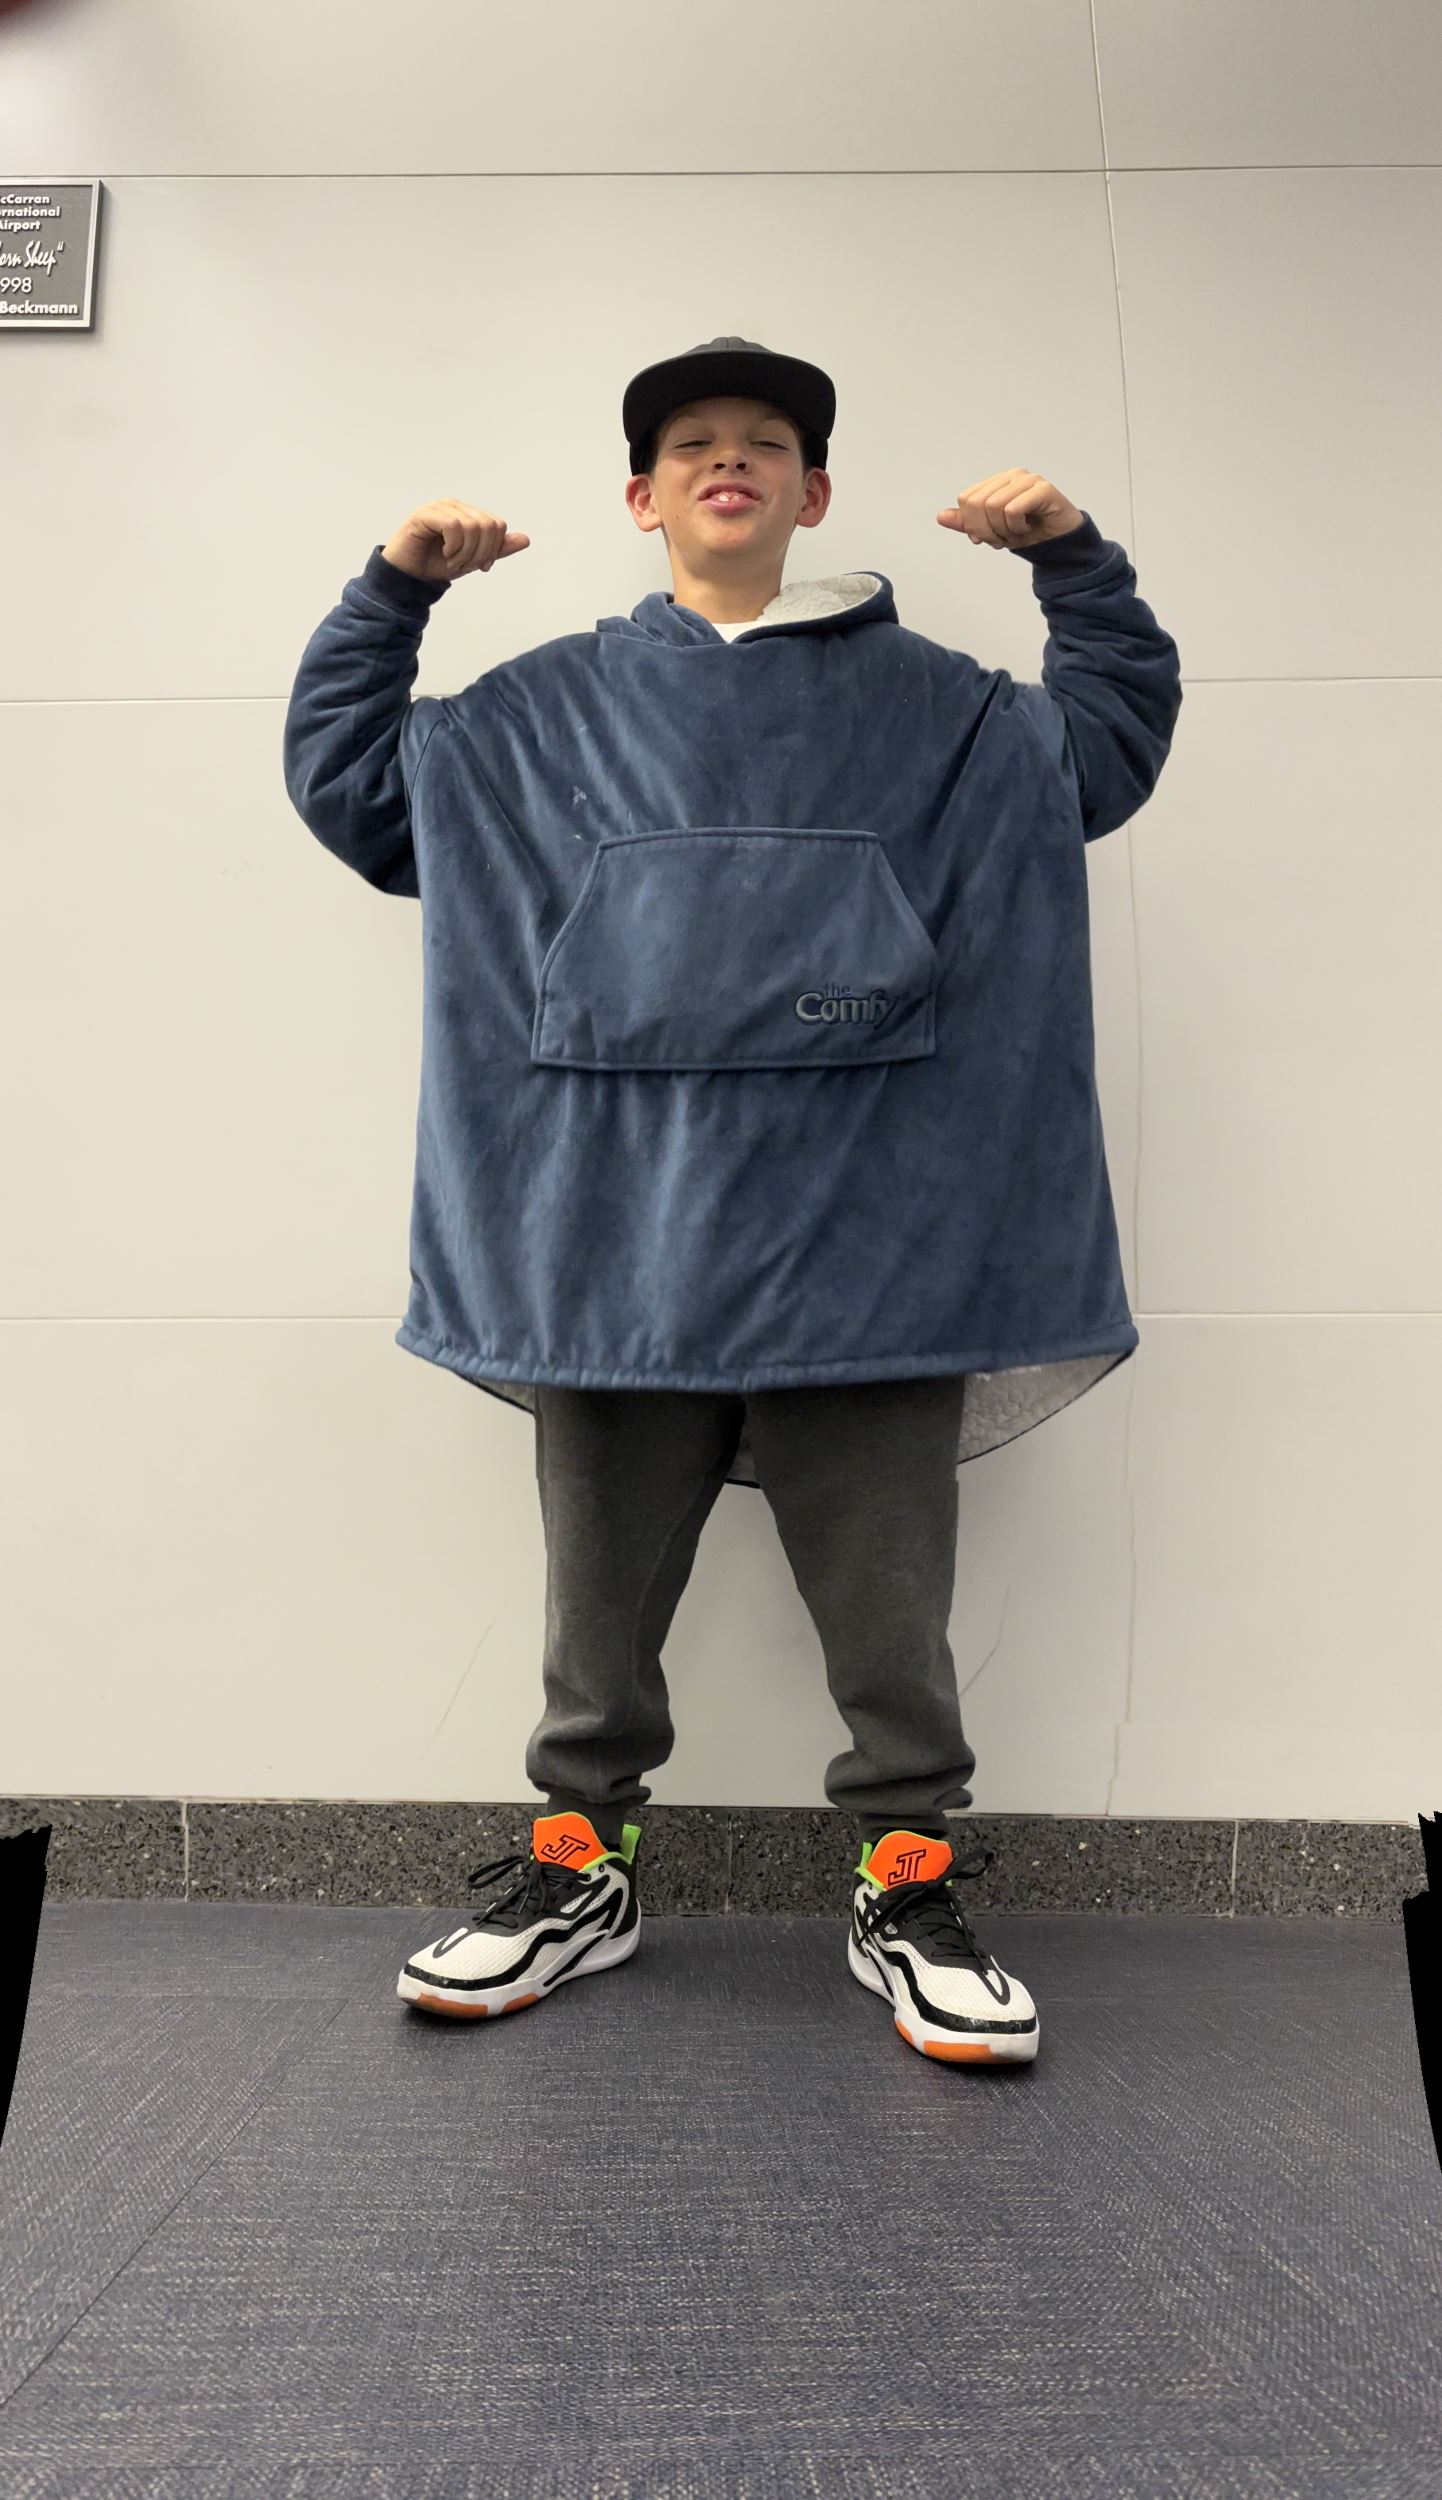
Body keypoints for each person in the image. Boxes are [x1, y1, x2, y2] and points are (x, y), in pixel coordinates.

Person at [282, 336, 1183, 2062]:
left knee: (889, 1615)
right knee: (594, 1615)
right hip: (613, 1241)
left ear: (811, 491)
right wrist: (392, 593)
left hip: (877, 1245)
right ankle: (581, 1870)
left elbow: (1107, 750)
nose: (728, 460)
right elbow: (355, 790)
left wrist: (1074, 560)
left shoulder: (944, 713)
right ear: (640, 497)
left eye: (766, 441)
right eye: (691, 441)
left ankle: (906, 1881)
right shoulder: (538, 713)